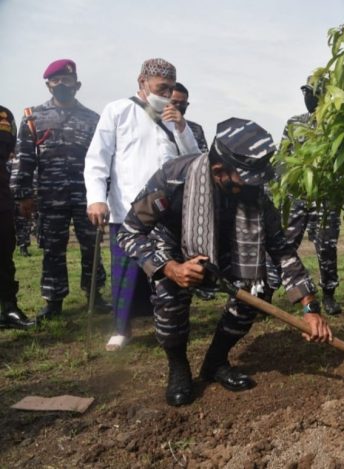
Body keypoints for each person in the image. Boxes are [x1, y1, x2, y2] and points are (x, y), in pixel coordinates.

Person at [116, 117, 332, 406]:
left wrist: (310, 307)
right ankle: (179, 368)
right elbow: (129, 232)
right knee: (170, 298)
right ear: (219, 170)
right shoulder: (172, 178)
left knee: (256, 288)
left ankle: (215, 362)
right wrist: (170, 268)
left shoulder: (255, 195)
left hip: (230, 248)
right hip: (172, 247)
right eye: (247, 180)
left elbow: (281, 250)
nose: (254, 187)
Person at [84, 58, 200, 351]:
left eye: (171, 88)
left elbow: (194, 161)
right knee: (125, 272)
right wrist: (96, 198)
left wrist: (181, 127)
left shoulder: (177, 120)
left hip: (167, 209)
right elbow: (98, 157)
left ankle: (168, 323)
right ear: (142, 82)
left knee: (166, 266)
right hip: (128, 208)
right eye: (162, 87)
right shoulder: (118, 111)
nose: (168, 93)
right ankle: (121, 328)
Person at [12, 59, 107, 321]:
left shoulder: (93, 119)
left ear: (77, 84)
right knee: (53, 248)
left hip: (86, 196)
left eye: (67, 80)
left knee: (92, 246)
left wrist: (103, 194)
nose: (62, 84)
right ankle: (53, 301)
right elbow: (24, 158)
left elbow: (103, 158)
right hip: (49, 196)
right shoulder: (33, 117)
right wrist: (23, 194)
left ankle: (94, 295)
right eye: (56, 81)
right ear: (48, 85)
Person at [267, 77, 343, 315]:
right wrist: (276, 190)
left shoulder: (336, 124)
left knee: (326, 248)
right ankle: (267, 292)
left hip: (325, 198)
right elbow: (282, 158)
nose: (307, 97)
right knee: (285, 245)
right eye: (304, 93)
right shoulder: (295, 123)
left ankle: (329, 294)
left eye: (311, 93)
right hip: (297, 197)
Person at [0, 105, 34, 329]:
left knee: (3, 255)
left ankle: (9, 309)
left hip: (0, 197)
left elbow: (10, 150)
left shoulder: (4, 115)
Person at [171, 82, 208, 152]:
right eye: (174, 102)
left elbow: (203, 158)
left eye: (182, 103)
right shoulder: (156, 125)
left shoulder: (196, 129)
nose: (178, 106)